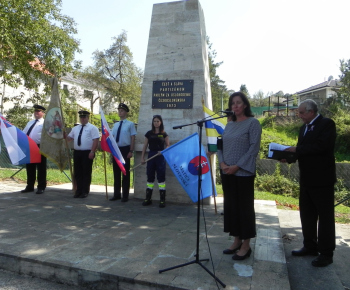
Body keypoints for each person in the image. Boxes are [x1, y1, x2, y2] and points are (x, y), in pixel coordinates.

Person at [284, 99, 336, 267]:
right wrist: (289, 157)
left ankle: (326, 253)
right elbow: (302, 150)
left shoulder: (327, 124)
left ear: (311, 112)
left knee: (325, 217)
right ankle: (310, 246)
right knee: (307, 215)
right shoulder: (303, 129)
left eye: (301, 112)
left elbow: (322, 146)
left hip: (322, 180)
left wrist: (297, 150)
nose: (299, 115)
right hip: (306, 179)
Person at [217, 92, 262, 260]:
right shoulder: (229, 124)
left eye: (238, 102)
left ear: (245, 105)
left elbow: (253, 149)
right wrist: (222, 164)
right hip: (227, 172)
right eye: (232, 103)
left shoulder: (253, 123)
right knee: (231, 208)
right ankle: (236, 240)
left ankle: (246, 245)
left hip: (243, 173)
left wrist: (237, 166)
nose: (235, 106)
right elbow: (220, 146)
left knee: (244, 209)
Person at [66, 110, 99, 198]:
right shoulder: (75, 128)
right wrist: (64, 135)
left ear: (88, 118)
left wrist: (92, 151)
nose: (82, 119)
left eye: (84, 117)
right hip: (77, 152)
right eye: (81, 117)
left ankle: (85, 191)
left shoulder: (92, 128)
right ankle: (78, 190)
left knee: (86, 172)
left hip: (87, 152)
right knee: (78, 172)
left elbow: (96, 140)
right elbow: (69, 139)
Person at [141, 115, 170, 208]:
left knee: (161, 177)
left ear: (161, 122)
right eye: (154, 121)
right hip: (151, 156)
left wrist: (163, 151)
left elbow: (168, 145)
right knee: (150, 177)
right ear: (152, 123)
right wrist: (142, 158)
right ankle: (148, 198)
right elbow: (145, 146)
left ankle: (162, 200)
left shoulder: (164, 134)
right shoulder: (149, 133)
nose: (156, 123)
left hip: (160, 156)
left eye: (158, 121)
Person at [110, 103, 136, 202]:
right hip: (116, 149)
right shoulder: (115, 124)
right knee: (116, 173)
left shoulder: (130, 124)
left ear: (126, 112)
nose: (120, 112)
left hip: (125, 149)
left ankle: (125, 195)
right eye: (119, 110)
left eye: (122, 110)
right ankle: (116, 194)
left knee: (125, 173)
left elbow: (133, 137)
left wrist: (131, 150)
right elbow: (111, 138)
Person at [21, 104, 47, 194]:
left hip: (40, 146)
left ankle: (41, 186)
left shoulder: (45, 123)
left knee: (41, 167)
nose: (36, 113)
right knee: (30, 167)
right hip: (30, 146)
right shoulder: (30, 122)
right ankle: (30, 186)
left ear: (43, 113)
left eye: (38, 111)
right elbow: (24, 133)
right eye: (35, 111)